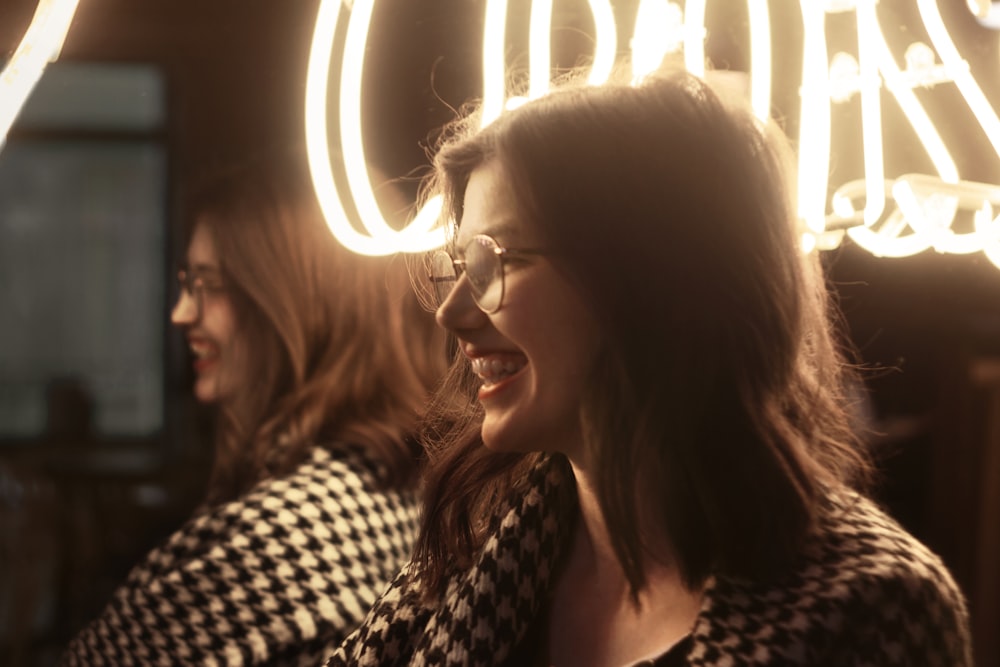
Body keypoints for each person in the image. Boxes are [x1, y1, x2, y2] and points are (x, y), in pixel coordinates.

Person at [326, 66, 974, 666]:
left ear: (649, 281)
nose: (451, 313)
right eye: (460, 267)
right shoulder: (478, 547)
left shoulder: (871, 606)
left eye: (498, 262)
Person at [62, 152, 447, 665]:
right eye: (185, 283)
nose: (181, 313)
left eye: (209, 285)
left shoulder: (278, 540)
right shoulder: (410, 492)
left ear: (297, 301)